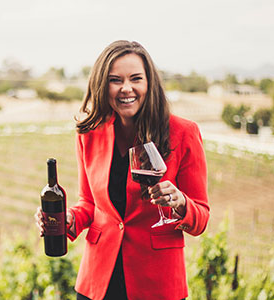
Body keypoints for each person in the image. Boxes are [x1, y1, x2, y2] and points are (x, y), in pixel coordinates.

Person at [35, 40, 209, 300]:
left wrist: (180, 202)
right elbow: (89, 203)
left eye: (136, 78)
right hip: (98, 280)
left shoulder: (183, 133)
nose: (126, 88)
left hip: (156, 282)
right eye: (115, 80)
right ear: (102, 85)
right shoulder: (89, 133)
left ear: (149, 83)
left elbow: (201, 218)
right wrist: (69, 218)